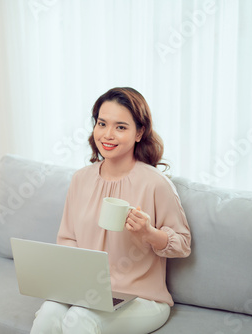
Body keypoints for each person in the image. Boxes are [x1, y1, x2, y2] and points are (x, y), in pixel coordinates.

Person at [30, 87, 191, 334]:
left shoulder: (155, 183)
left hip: (142, 298)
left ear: (139, 132)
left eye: (121, 127)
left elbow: (182, 244)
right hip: (88, 293)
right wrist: (72, 282)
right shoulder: (81, 179)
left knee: (79, 319)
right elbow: (68, 238)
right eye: (102, 124)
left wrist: (148, 232)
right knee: (48, 314)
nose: (108, 134)